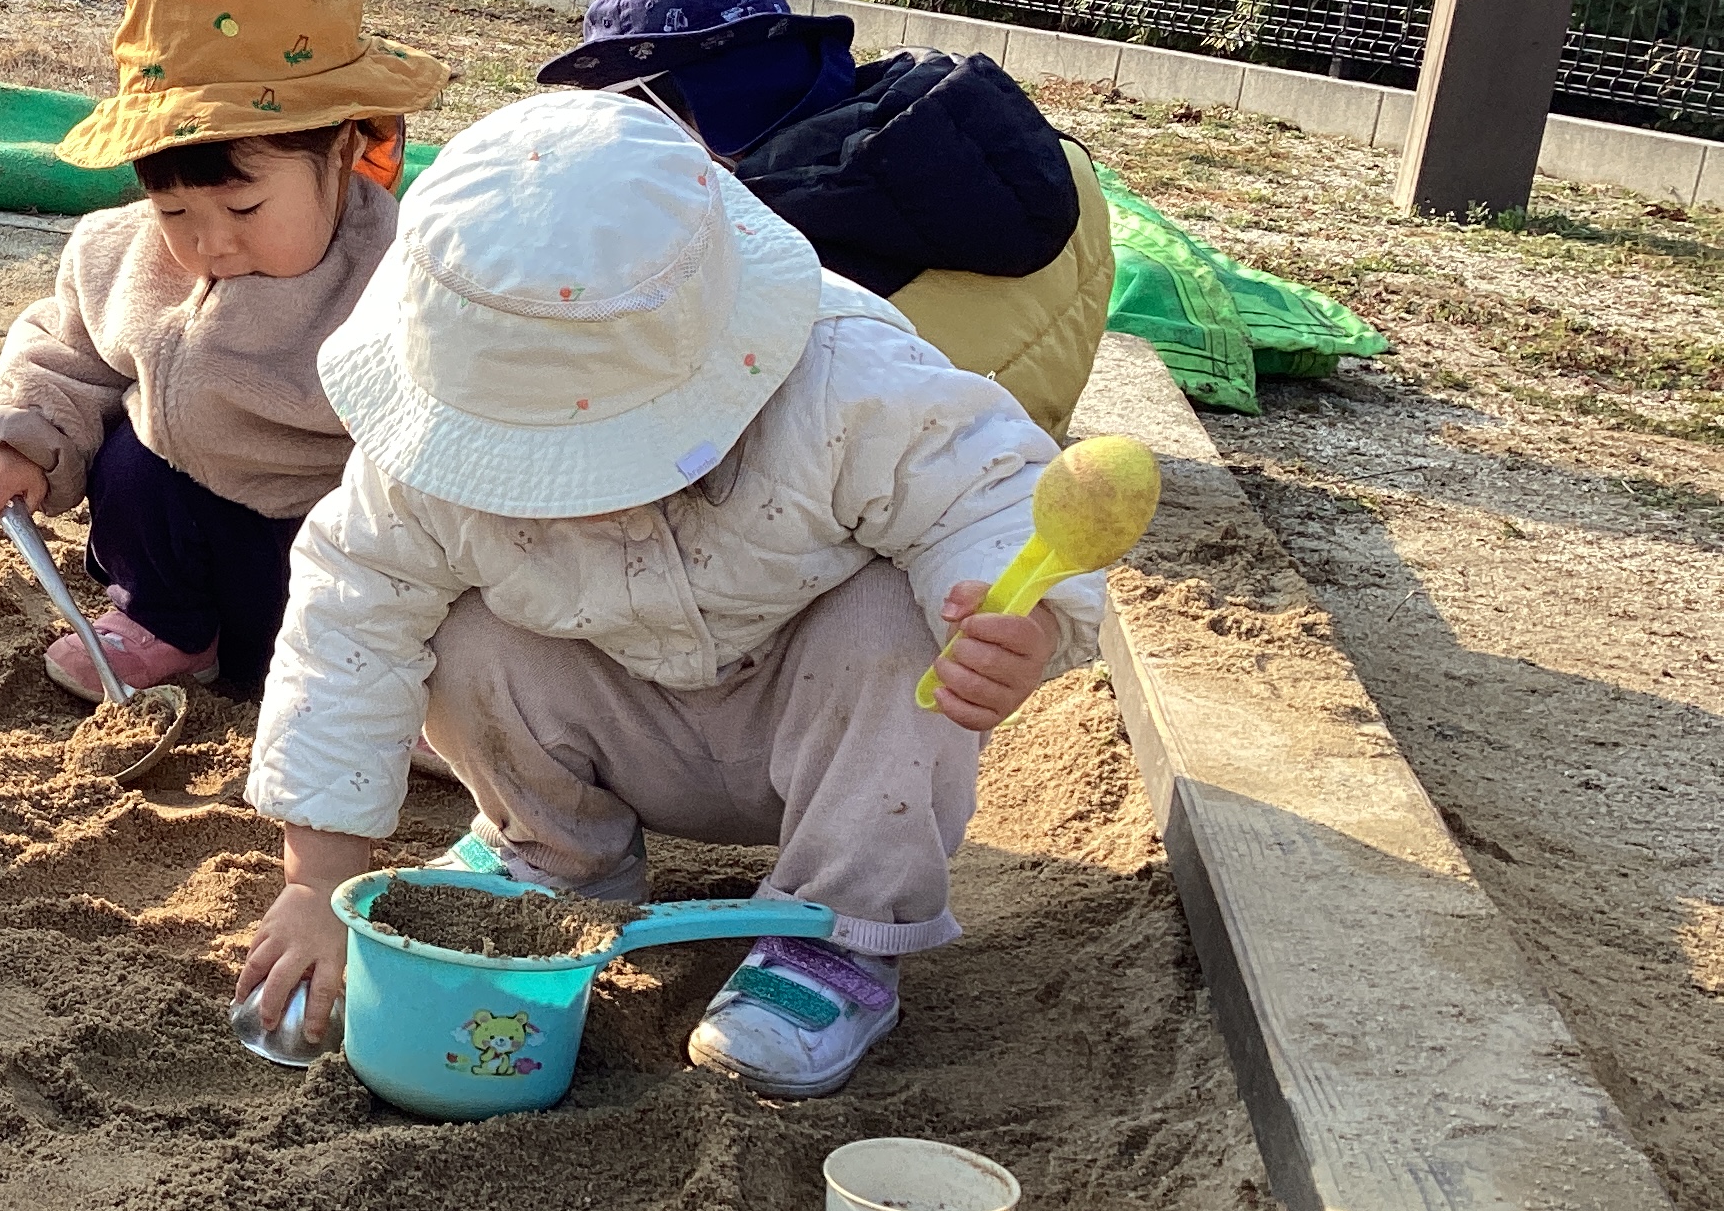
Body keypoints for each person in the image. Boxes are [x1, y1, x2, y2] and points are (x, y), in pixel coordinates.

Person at [234, 91, 1100, 1100]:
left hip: (807, 724)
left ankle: (835, 937)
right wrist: (316, 878)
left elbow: (989, 488)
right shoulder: (420, 463)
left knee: (899, 625)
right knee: (459, 633)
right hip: (613, 715)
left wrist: (1016, 614)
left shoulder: (844, 378)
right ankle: (552, 859)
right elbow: (350, 624)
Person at [0, 0, 447, 700]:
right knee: (132, 451)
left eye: (245, 205)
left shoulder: (396, 273)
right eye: (175, 209)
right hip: (179, 551)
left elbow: (447, 430)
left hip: (325, 564)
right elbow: (65, 351)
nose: (211, 241)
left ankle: (369, 688)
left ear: (344, 149)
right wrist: (23, 445)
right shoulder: (119, 252)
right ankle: (167, 632)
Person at [539, 0, 1114, 435]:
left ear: (700, 105)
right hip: (1016, 457)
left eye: (631, 112)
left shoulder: (770, 261)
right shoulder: (1062, 161)